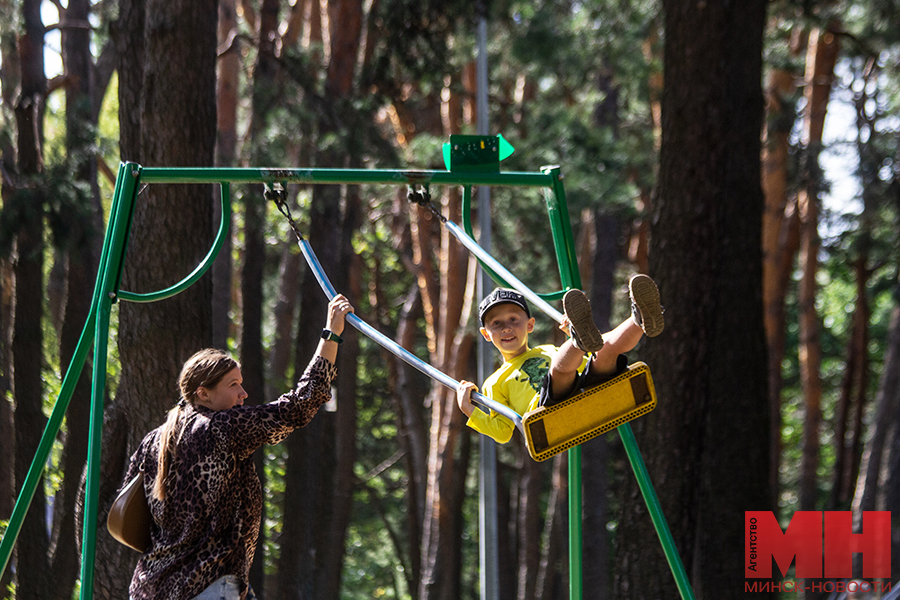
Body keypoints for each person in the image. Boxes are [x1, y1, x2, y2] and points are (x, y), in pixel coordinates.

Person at [119, 294, 354, 600]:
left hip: (150, 589)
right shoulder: (222, 428)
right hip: (207, 587)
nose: (244, 394)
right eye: (233, 385)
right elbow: (298, 406)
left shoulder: (154, 440)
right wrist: (331, 334)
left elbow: (127, 516)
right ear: (203, 393)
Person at [456, 275, 663, 445]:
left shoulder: (547, 350)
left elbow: (584, 366)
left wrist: (576, 347)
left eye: (513, 319)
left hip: (584, 387)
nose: (506, 328)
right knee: (558, 371)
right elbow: (503, 432)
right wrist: (470, 410)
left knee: (605, 349)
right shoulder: (495, 381)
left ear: (530, 325)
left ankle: (639, 318)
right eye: (497, 323)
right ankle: (578, 340)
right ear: (486, 334)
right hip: (546, 413)